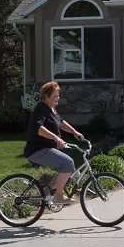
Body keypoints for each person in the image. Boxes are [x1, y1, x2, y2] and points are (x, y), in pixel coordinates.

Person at [24, 81, 84, 209]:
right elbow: (38, 128)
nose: (58, 98)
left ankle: (47, 191)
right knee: (68, 163)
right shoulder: (41, 108)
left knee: (66, 167)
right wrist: (56, 137)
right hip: (37, 149)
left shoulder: (51, 109)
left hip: (47, 148)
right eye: (55, 96)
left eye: (58, 95)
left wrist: (75, 132)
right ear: (46, 96)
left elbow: (61, 123)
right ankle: (58, 197)